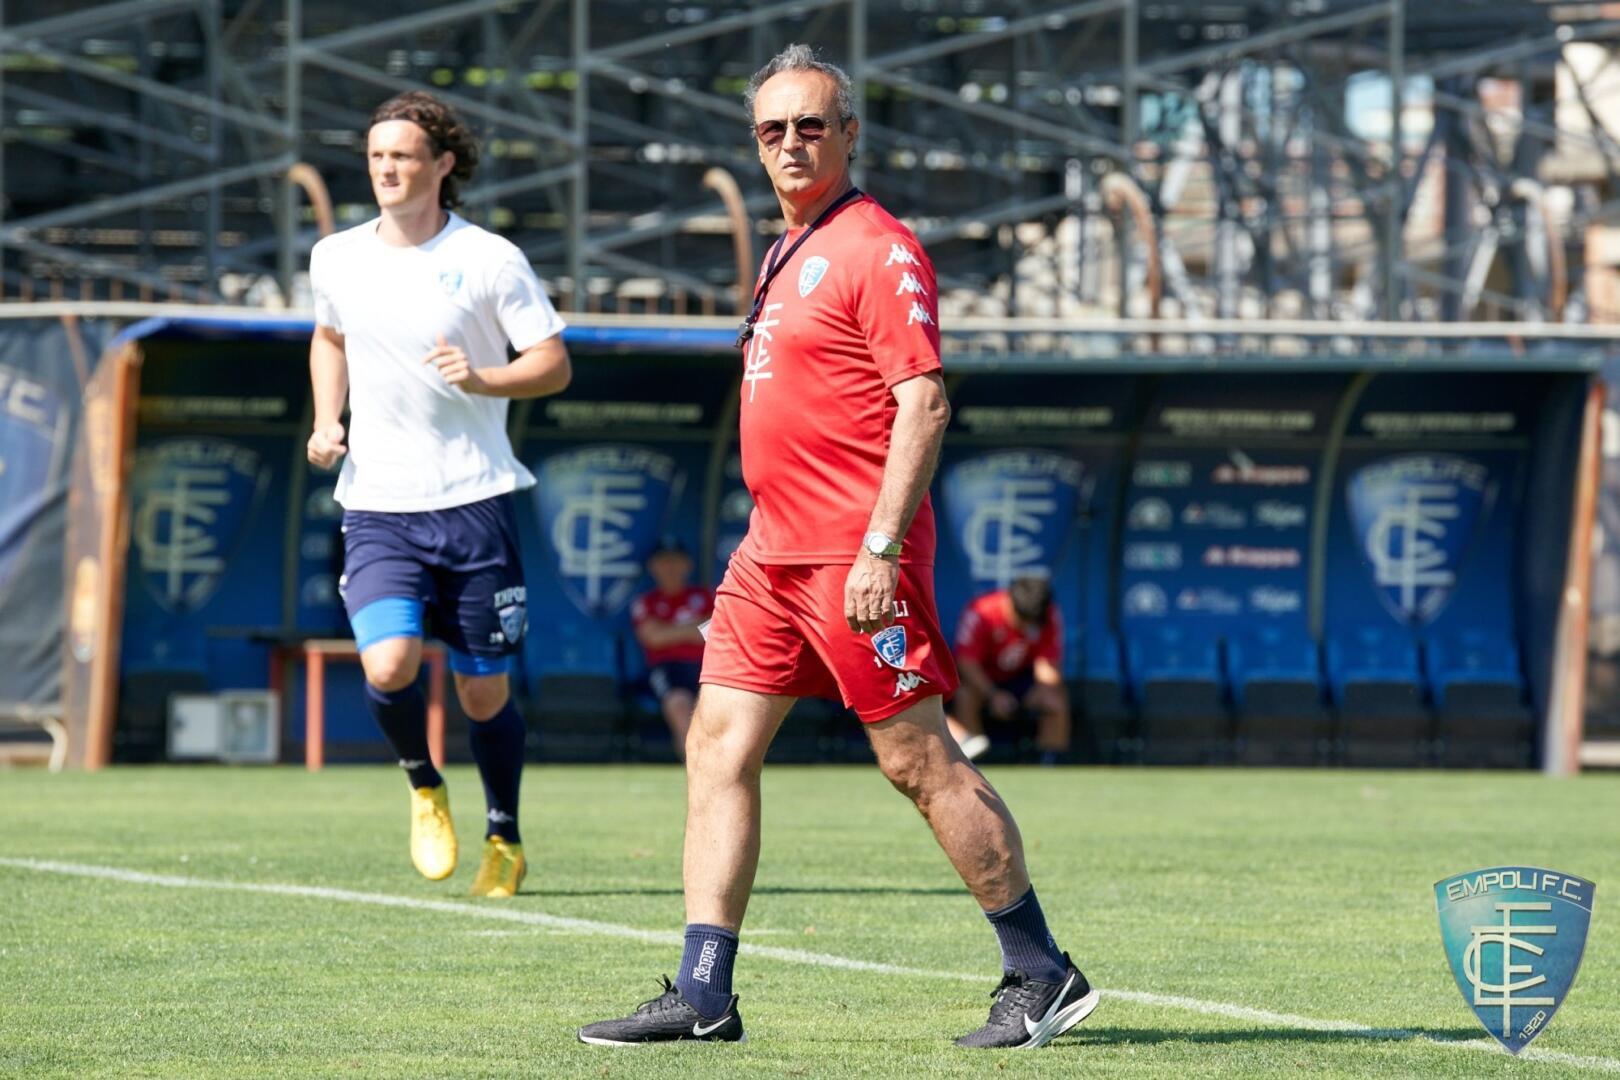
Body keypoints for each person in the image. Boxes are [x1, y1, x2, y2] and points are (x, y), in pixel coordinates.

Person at [578, 44, 1097, 1050]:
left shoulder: (877, 246)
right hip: (769, 554)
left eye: (811, 125)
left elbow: (923, 402)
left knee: (916, 760)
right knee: (717, 746)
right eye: (772, 129)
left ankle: (1043, 972)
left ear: (849, 134)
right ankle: (704, 993)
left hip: (854, 554)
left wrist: (879, 546)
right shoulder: (785, 251)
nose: (791, 143)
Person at [305, 90, 571, 898]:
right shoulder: (336, 256)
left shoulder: (489, 258)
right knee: (387, 664)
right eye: (376, 155)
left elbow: (552, 363)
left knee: (480, 688)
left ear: (443, 163)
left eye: (403, 155)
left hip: (474, 499)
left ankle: (504, 836)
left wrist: (484, 377)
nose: (386, 169)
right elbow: (328, 336)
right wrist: (327, 419)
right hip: (378, 502)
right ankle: (424, 784)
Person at [947, 576, 1072, 765]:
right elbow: (967, 663)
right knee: (965, 696)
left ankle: (1050, 761)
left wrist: (1046, 689)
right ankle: (972, 761)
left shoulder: (1048, 614)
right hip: (982, 680)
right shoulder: (981, 611)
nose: (1028, 627)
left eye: (1033, 623)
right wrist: (993, 695)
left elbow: (1047, 668)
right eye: (1023, 621)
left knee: (1054, 700)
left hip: (1021, 679)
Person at [629, 538, 713, 760]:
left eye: (676, 560)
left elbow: (716, 632)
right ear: (653, 566)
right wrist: (695, 626)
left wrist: (670, 629)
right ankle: (695, 764)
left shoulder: (705, 596)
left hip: (707, 666)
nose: (670, 567)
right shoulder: (647, 602)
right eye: (664, 561)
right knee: (678, 703)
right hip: (667, 669)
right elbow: (653, 637)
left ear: (688, 565)